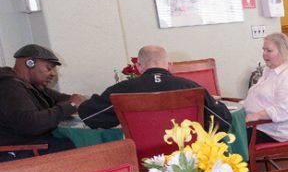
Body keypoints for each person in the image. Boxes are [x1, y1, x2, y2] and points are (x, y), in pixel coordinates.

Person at [78, 45, 231, 131]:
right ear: (170, 66)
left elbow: (89, 115)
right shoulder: (191, 88)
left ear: (138, 67)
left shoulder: (121, 90)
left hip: (142, 160)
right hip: (187, 158)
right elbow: (223, 119)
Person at [0, 44, 86, 161]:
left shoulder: (31, 86)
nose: (53, 74)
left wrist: (81, 102)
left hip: (31, 144)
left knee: (80, 142)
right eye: (48, 68)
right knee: (83, 147)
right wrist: (70, 106)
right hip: (14, 151)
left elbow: (64, 99)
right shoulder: (9, 86)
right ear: (30, 63)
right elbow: (31, 124)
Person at [243, 33, 288, 143]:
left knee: (222, 137)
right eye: (263, 50)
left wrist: (257, 115)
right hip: (257, 125)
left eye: (269, 51)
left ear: (283, 52)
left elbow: (287, 108)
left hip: (271, 130)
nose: (264, 54)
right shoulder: (271, 70)